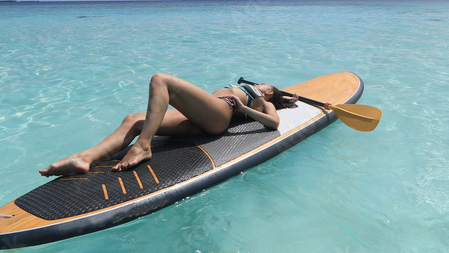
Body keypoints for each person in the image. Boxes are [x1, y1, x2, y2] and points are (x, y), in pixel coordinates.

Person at [39, 73, 297, 176]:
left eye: (265, 84)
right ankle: (85, 158)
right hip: (201, 119)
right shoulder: (257, 92)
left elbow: (273, 123)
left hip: (221, 115)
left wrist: (243, 109)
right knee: (134, 119)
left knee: (161, 80)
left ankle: (143, 147)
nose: (261, 82)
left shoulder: (262, 100)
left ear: (268, 92)